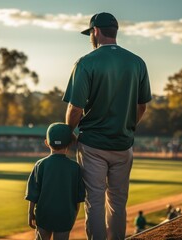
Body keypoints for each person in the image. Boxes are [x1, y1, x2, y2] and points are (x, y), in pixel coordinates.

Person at [63, 12, 152, 240]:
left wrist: (69, 133)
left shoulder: (85, 62)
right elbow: (142, 106)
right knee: (118, 203)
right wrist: (129, 126)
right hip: (123, 144)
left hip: (93, 144)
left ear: (95, 31)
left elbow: (75, 108)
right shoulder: (137, 62)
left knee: (95, 201)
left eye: (90, 34)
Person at [25, 122, 86, 240]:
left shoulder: (40, 164)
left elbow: (33, 194)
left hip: (44, 214)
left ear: (47, 143)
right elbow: (78, 198)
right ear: (69, 143)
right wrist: (73, 216)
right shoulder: (75, 167)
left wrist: (30, 214)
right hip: (65, 216)